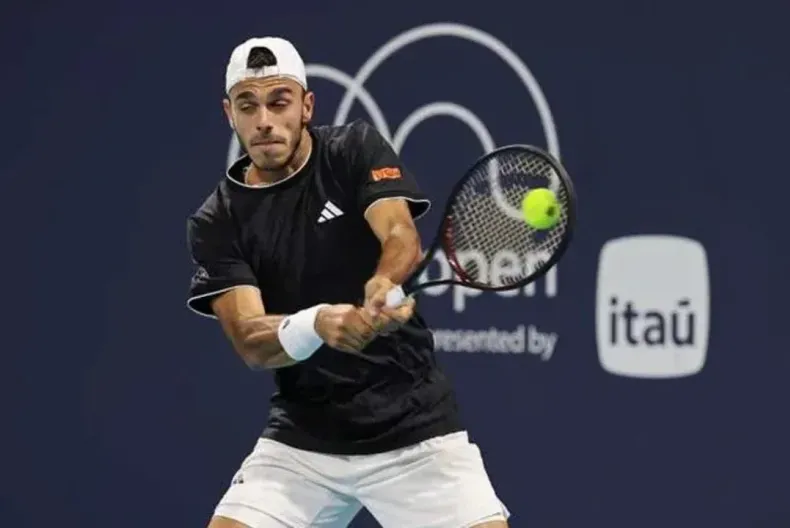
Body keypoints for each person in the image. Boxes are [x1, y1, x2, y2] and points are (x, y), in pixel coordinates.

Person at [186, 36, 511, 528]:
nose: (264, 120)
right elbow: (251, 341)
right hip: (302, 443)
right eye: (248, 106)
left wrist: (383, 281)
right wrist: (318, 323)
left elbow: (400, 234)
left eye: (279, 101)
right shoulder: (218, 219)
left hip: (414, 430)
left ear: (306, 106)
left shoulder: (353, 150)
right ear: (230, 114)